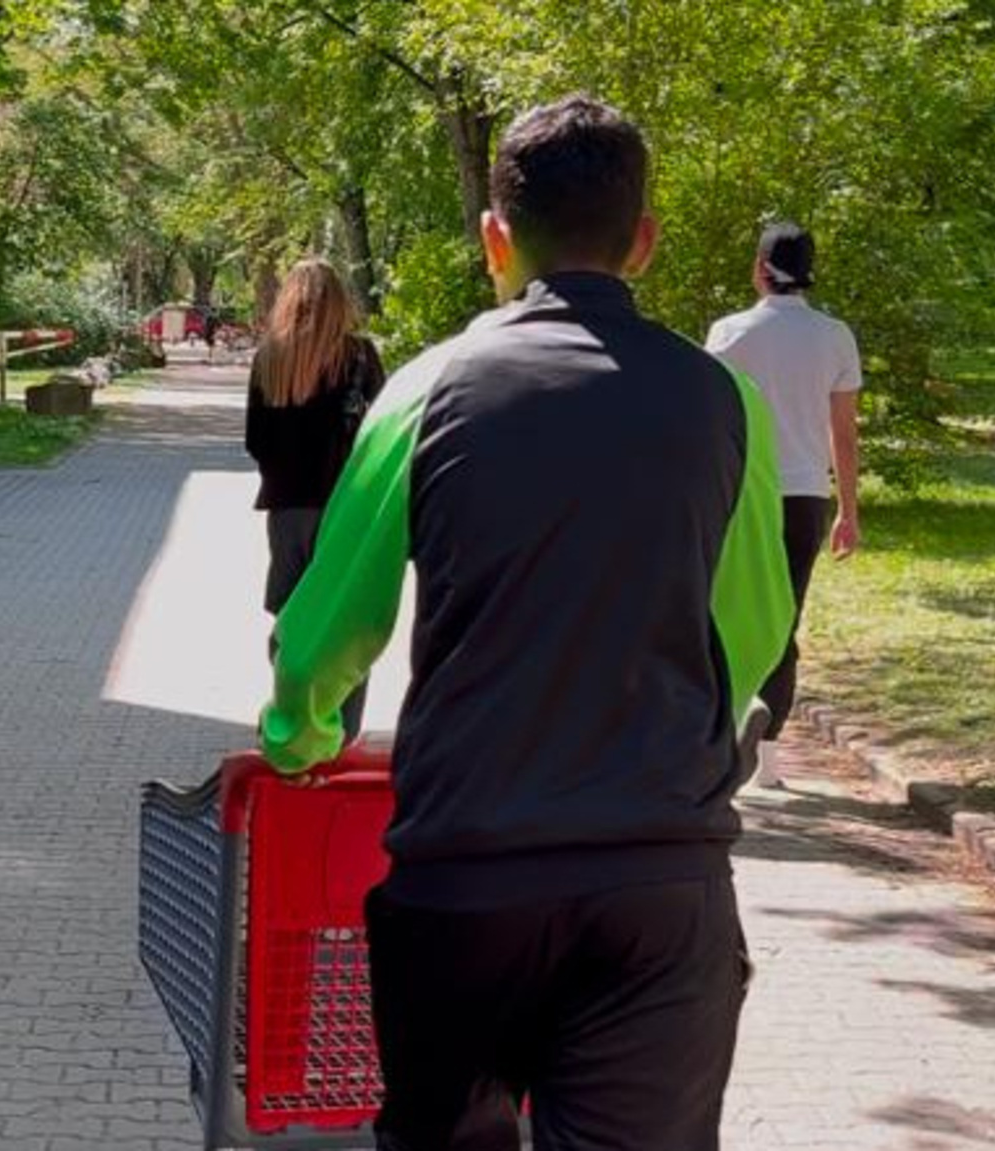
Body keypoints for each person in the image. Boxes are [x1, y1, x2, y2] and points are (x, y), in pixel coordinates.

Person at [259, 96, 795, 1150]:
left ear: (494, 238)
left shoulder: (425, 391)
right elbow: (757, 627)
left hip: (468, 880)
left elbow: (327, 633)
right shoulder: (724, 399)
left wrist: (300, 735)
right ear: (642, 239)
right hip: (659, 883)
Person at [707, 222, 863, 788]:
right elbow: (842, 434)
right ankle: (767, 757)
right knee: (785, 617)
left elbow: (710, 419)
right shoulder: (835, 336)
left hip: (740, 492)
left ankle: (722, 735)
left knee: (727, 611)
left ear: (759, 269)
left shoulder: (728, 333)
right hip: (805, 497)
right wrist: (849, 511)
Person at [246, 258, 384, 741]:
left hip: (286, 510)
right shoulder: (359, 358)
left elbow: (255, 441)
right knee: (343, 622)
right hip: (346, 510)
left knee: (292, 615)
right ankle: (341, 729)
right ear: (340, 302)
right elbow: (379, 435)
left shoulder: (269, 359)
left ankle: (288, 718)